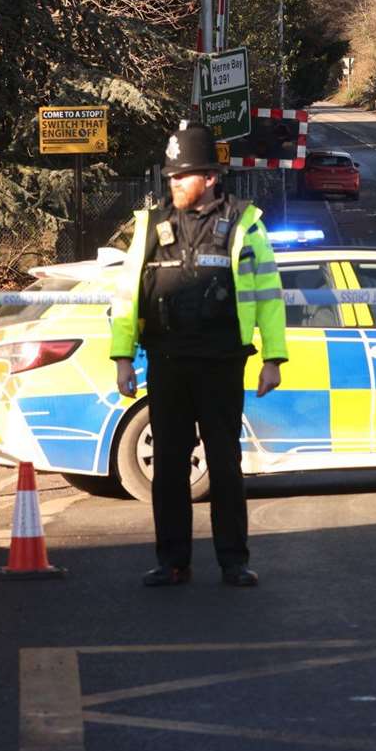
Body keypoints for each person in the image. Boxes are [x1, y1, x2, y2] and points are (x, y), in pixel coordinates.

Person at [110, 123, 288, 588]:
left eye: (182, 176)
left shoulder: (245, 223)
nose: (173, 184)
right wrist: (122, 357)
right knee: (168, 466)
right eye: (170, 177)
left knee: (225, 462)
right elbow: (128, 295)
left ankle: (234, 560)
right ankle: (172, 561)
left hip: (222, 360)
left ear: (209, 177)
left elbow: (269, 295)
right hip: (166, 361)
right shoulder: (151, 224)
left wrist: (274, 358)